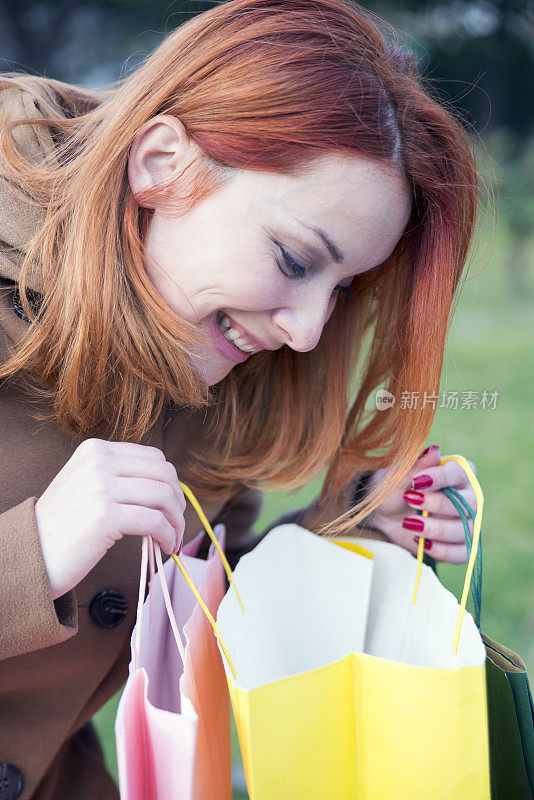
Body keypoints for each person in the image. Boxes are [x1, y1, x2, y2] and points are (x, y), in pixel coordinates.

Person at [0, 0, 480, 796]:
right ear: (161, 164)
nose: (306, 332)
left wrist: (345, 534)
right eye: (295, 259)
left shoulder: (221, 376)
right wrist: (37, 553)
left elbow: (185, 614)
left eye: (343, 289)